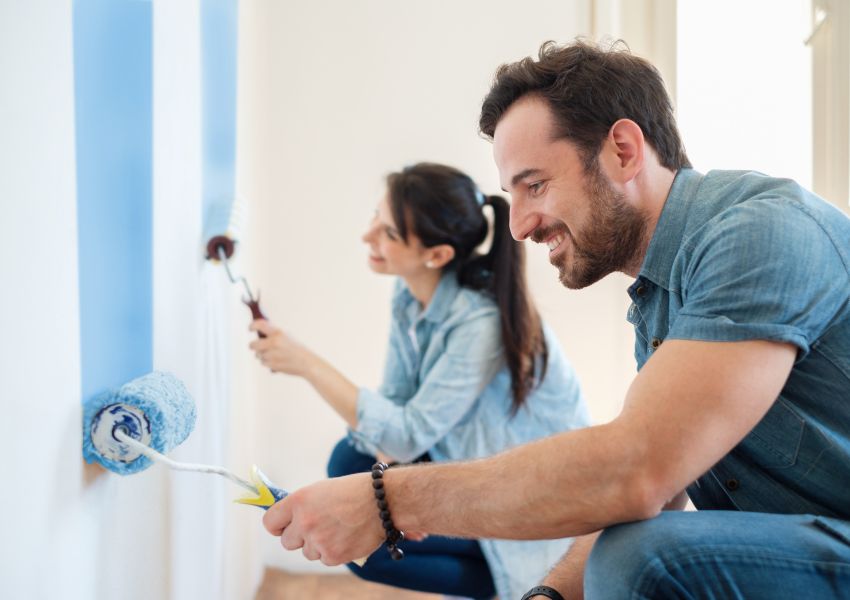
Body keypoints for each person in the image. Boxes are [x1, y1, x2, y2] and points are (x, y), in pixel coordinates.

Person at [262, 40, 850, 600]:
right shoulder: (660, 301)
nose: (518, 227)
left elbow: (637, 471)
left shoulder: (760, 234)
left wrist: (386, 500)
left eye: (535, 186)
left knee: (646, 556)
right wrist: (548, 593)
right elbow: (655, 490)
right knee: (631, 543)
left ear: (622, 150)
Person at [249, 162, 590, 599]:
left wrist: (305, 364)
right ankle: (446, 541)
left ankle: (509, 575)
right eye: (377, 216)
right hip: (466, 460)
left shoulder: (479, 324)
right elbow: (394, 407)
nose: (368, 236)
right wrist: (396, 499)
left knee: (362, 530)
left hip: (529, 500)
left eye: (388, 233)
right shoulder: (410, 296)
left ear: (437, 256)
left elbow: (405, 437)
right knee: (349, 465)